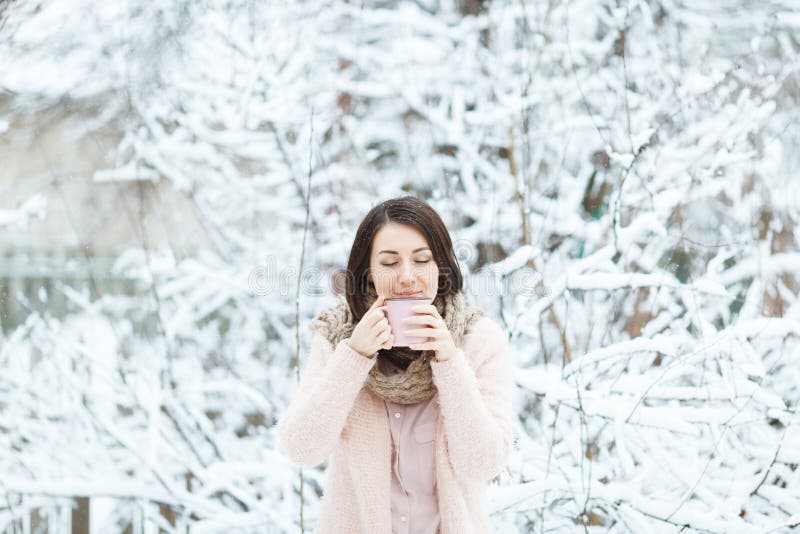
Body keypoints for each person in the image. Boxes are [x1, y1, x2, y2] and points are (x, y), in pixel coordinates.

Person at [277, 195, 513, 533]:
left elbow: (484, 463)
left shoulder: (477, 341)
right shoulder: (337, 339)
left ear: (440, 268)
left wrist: (448, 362)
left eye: (421, 260)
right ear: (369, 274)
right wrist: (354, 357)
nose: (406, 277)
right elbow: (302, 448)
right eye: (389, 263)